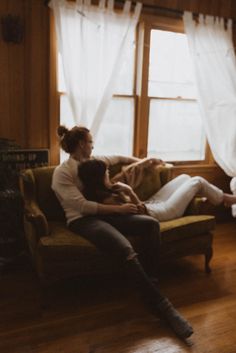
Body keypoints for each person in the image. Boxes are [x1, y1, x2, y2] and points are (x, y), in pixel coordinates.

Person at [52, 125, 194, 340]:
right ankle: (162, 306)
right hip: (84, 220)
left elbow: (118, 157)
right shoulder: (62, 172)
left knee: (150, 224)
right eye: (90, 142)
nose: (93, 145)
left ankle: (149, 282)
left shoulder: (96, 161)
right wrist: (119, 209)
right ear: (81, 144)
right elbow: (82, 206)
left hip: (110, 212)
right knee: (124, 247)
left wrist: (142, 162)